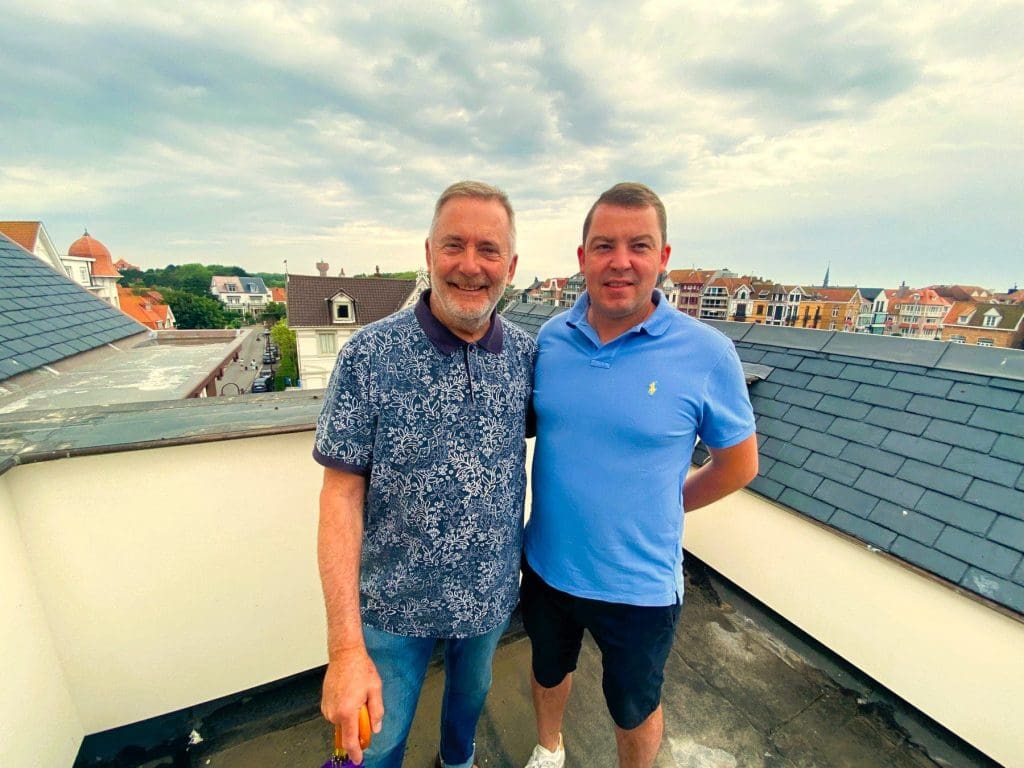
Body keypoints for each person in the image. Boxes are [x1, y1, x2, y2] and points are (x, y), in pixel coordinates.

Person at [521, 183, 758, 768]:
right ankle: (548, 750)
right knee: (548, 672)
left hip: (639, 586)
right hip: (548, 565)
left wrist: (669, 504)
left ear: (663, 257)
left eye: (638, 245)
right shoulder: (552, 339)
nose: (620, 260)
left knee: (633, 708)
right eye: (603, 245)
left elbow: (739, 464)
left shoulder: (706, 353)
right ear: (582, 259)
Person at [314, 181, 535, 768]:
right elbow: (339, 499)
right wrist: (344, 649)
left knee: (465, 725)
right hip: (390, 611)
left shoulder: (527, 357)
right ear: (429, 252)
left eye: (488, 250)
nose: (470, 265)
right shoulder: (368, 356)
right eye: (453, 245)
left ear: (510, 266)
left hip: (489, 600)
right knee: (368, 751)